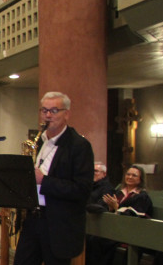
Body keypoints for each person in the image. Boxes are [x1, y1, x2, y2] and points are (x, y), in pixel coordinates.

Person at [14, 92, 94, 265]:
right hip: (33, 219)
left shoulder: (79, 146)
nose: (48, 115)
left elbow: (82, 190)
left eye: (54, 110)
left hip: (59, 226)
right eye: (44, 110)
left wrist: (44, 181)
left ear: (67, 114)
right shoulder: (40, 142)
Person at [86, 166, 153, 265]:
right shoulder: (119, 193)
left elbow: (134, 218)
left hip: (130, 232)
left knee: (99, 241)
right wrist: (111, 208)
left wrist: (116, 207)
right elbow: (110, 210)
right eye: (128, 174)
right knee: (91, 238)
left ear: (140, 179)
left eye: (134, 175)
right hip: (115, 228)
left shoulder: (142, 197)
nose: (130, 177)